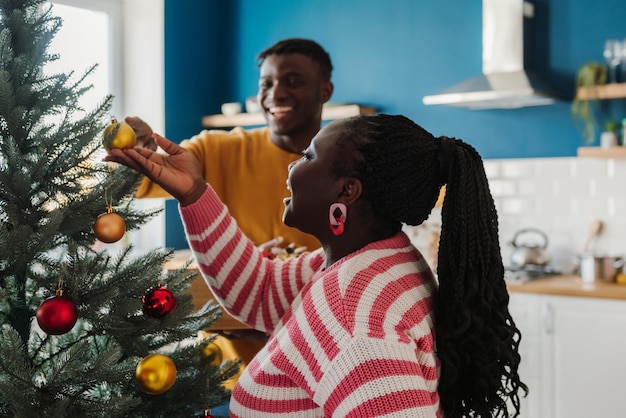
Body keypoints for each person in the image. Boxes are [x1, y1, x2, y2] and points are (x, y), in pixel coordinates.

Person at [106, 114, 528, 417]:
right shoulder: (374, 256)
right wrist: (195, 194)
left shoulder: (352, 312)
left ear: (347, 191)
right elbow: (260, 291)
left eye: (307, 157)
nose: (291, 166)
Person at [127, 37, 335, 253]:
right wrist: (138, 153)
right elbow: (137, 184)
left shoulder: (346, 162)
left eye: (293, 83)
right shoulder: (212, 150)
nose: (276, 94)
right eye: (266, 84)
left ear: (325, 91)